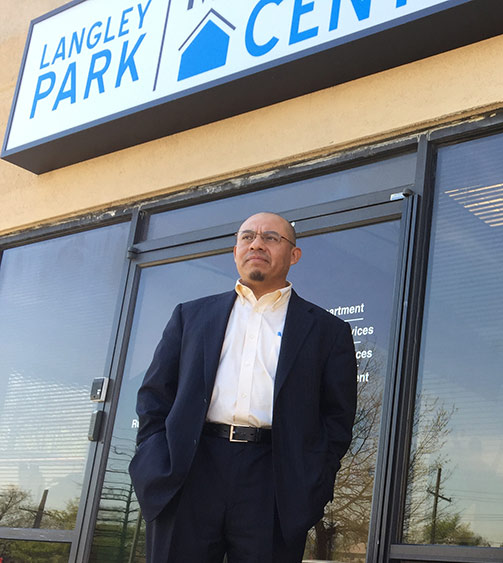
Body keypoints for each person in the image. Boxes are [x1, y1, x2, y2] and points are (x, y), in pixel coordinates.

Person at [128, 212, 357, 562]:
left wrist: (314, 481)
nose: (257, 244)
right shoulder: (190, 317)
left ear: (294, 255)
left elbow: (337, 419)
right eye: (247, 237)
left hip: (275, 481)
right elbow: (154, 397)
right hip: (189, 470)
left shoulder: (328, 332)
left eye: (270, 237)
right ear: (235, 250)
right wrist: (155, 461)